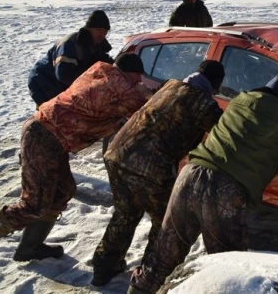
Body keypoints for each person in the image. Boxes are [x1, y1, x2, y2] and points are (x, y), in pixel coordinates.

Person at [127, 72, 278, 294]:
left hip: (190, 174)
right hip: (224, 189)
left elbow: (260, 119)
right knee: (227, 266)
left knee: (164, 253)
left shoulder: (241, 100)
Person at [0, 54, 151, 262]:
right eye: (138, 77)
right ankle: (22, 242)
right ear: (131, 72)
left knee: (62, 191)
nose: (140, 81)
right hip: (44, 137)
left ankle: (30, 247)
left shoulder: (100, 71)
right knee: (35, 204)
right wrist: (147, 93)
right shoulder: (120, 86)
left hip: (47, 134)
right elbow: (148, 109)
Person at [90, 61, 225, 286]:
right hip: (151, 166)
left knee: (126, 212)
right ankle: (147, 277)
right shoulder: (204, 104)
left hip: (118, 153)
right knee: (163, 220)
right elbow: (223, 131)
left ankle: (103, 267)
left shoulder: (169, 86)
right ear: (217, 83)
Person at [28, 10, 114, 107]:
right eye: (99, 30)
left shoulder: (98, 47)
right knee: (53, 114)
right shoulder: (71, 44)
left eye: (105, 31)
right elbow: (64, 75)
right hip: (44, 81)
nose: (102, 34)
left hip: (61, 85)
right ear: (89, 28)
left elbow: (104, 64)